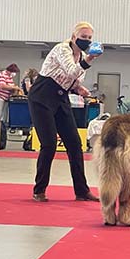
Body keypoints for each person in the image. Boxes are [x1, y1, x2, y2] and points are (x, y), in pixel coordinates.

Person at [28, 21, 101, 202]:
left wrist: (79, 89)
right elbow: (70, 70)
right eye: (83, 37)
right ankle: (39, 190)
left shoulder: (82, 55)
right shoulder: (62, 49)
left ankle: (82, 191)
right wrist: (88, 61)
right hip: (41, 97)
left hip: (61, 98)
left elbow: (72, 80)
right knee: (49, 144)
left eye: (89, 38)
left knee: (75, 144)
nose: (86, 40)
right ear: (74, 36)